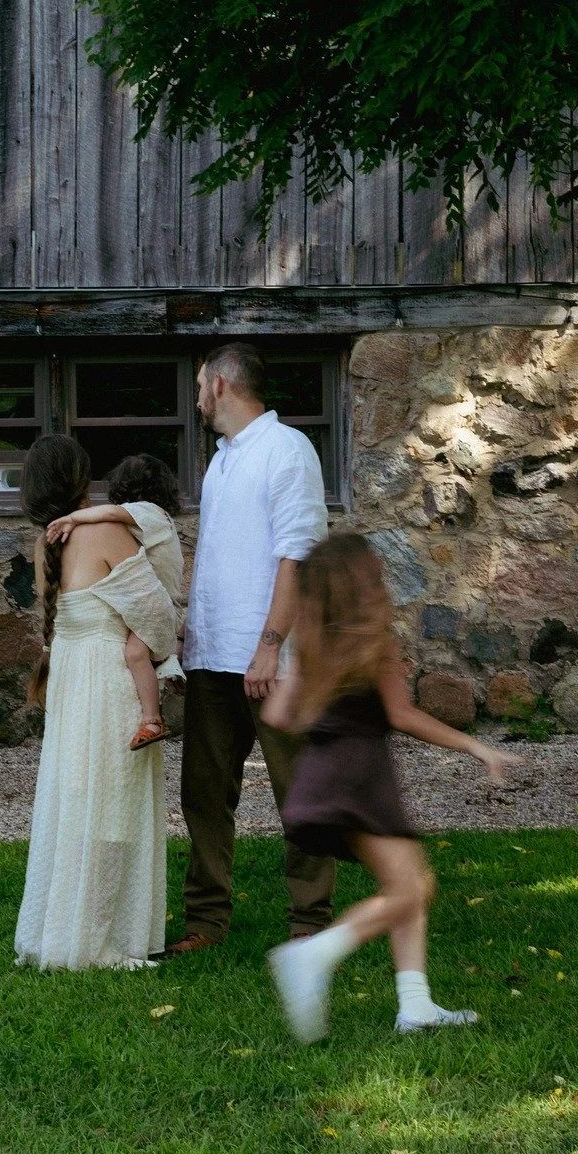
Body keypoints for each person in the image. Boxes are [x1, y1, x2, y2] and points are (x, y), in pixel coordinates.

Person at [261, 533, 517, 1042]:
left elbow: (276, 715)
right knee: (412, 888)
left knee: (410, 882)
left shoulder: (312, 643)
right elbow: (402, 715)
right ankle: (314, 954)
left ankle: (416, 1005)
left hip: (321, 779)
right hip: (360, 778)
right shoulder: (374, 644)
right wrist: (474, 746)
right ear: (361, 585)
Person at [168, 343, 333, 957]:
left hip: (272, 661)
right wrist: (193, 628)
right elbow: (222, 555)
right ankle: (206, 921)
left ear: (220, 384)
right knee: (205, 794)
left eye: (199, 385)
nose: (196, 398)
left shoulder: (287, 449)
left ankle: (310, 923)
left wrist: (270, 646)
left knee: (300, 793)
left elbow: (299, 554)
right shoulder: (221, 461)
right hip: (212, 655)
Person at [14, 435, 182, 970]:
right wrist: (155, 650)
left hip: (70, 673)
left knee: (77, 801)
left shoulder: (44, 545)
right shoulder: (107, 531)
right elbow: (157, 617)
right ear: (81, 479)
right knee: (114, 806)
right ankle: (97, 940)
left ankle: (67, 927)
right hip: (108, 679)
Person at [43, 452, 185, 750]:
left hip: (160, 607)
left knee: (135, 652)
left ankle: (152, 720)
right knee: (139, 652)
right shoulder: (153, 522)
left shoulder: (150, 512)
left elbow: (110, 514)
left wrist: (73, 517)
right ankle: (166, 672)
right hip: (157, 604)